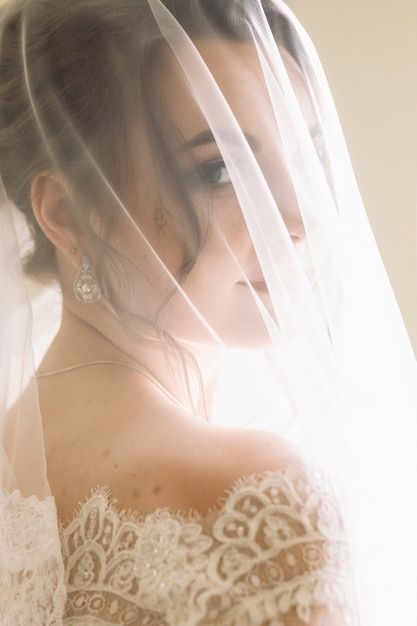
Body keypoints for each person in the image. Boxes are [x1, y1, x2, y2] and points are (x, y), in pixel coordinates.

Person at [0, 1, 416, 624]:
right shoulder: (256, 502)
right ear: (69, 212)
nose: (295, 220)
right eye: (222, 170)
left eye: (304, 160)